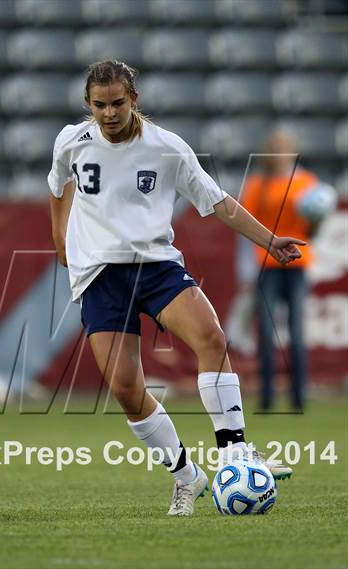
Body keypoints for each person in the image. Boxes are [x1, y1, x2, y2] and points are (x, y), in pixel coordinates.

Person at [48, 61, 303, 517]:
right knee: (127, 390)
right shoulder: (70, 140)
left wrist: (270, 239)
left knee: (211, 337)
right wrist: (59, 237)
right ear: (88, 104)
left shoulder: (166, 148)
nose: (109, 114)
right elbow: (57, 185)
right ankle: (187, 477)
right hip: (100, 276)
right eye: (100, 105)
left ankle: (234, 453)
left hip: (156, 266)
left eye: (118, 103)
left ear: (135, 100)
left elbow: (218, 203)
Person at [240, 130, 326, 412]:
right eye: (275, 148)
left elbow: (312, 231)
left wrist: (316, 219)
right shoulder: (256, 185)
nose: (280, 154)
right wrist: (245, 271)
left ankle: (298, 397)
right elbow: (244, 228)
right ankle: (267, 398)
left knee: (297, 332)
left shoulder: (307, 183)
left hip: (298, 265)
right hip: (266, 266)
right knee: (266, 332)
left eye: (284, 149)